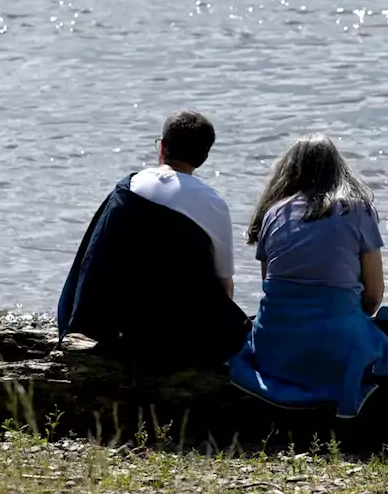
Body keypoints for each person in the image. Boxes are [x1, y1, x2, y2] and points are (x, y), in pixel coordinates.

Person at [56, 110, 250, 370]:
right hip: (179, 330)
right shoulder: (213, 203)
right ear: (204, 157)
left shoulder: (130, 187)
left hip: (119, 323)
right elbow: (224, 281)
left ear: (162, 147)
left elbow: (93, 254)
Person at [226, 134, 388, 418]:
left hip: (275, 347)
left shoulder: (273, 214)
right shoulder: (357, 209)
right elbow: (374, 294)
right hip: (335, 344)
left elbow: (271, 285)